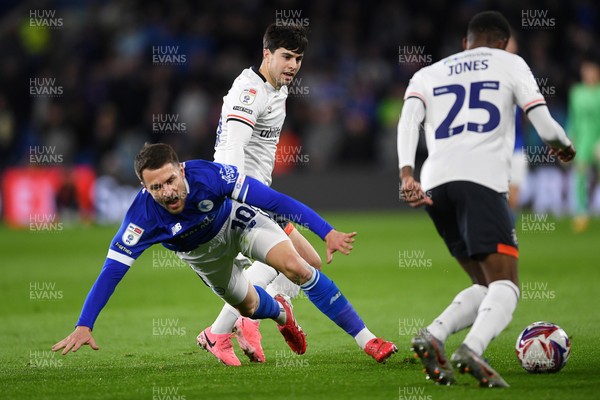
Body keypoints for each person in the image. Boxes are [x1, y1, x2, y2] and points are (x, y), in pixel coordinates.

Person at [52, 143, 397, 366]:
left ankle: (367, 340)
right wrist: (85, 324)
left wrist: (326, 231)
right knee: (248, 306)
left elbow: (275, 202)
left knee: (299, 267)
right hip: (204, 258)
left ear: (181, 169)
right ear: (145, 187)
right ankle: (281, 314)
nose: (167, 191)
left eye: (170, 180)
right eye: (155, 187)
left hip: (236, 224)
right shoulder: (141, 219)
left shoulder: (210, 175)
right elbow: (111, 272)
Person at [397, 11, 575, 387]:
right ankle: (473, 348)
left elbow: (408, 121)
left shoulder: (429, 73)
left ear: (466, 43)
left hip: (434, 184)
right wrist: (564, 146)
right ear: (503, 44)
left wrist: (406, 173)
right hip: (480, 178)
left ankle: (433, 334)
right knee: (507, 285)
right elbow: (544, 124)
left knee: (484, 283)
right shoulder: (511, 63)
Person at [208, 23, 396, 365]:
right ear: (266, 54)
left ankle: (238, 323)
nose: (293, 65)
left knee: (308, 260)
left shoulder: (277, 87)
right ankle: (222, 330)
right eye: (286, 57)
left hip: (257, 191)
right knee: (291, 264)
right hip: (241, 194)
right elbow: (233, 146)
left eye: (298, 58)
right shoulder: (249, 91)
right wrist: (236, 193)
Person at [568, 56, 600, 232]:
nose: (588, 74)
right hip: (582, 140)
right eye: (585, 71)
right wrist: (570, 138)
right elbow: (573, 118)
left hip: (597, 139)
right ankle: (581, 212)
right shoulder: (576, 92)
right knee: (580, 173)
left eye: (591, 71)